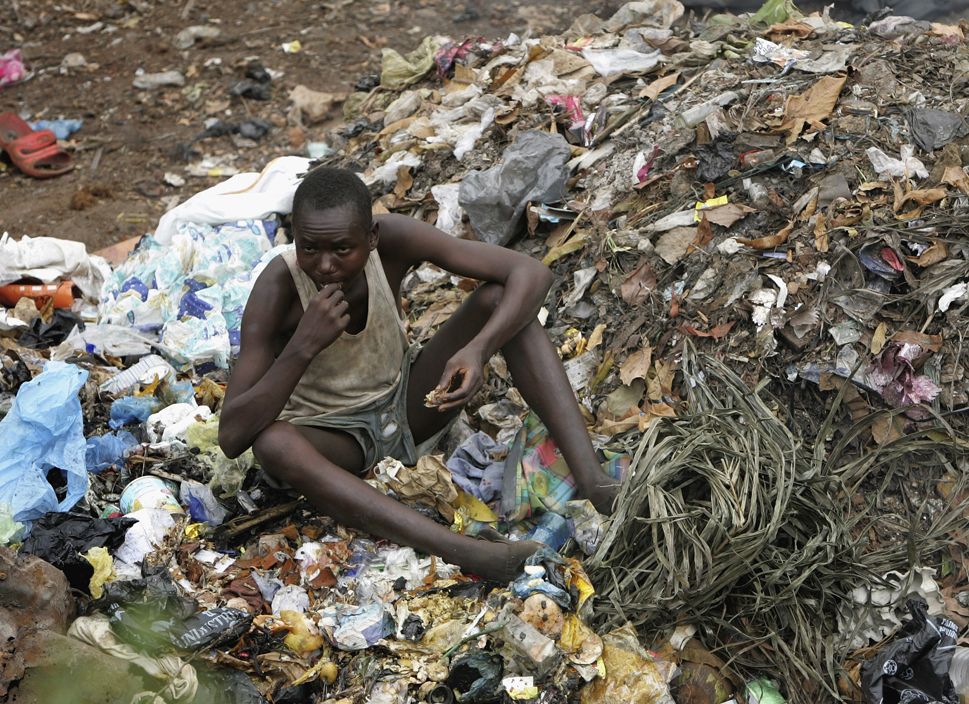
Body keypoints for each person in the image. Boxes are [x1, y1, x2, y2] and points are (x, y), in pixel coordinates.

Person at [218, 167, 619, 583]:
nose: (324, 265)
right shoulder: (277, 290)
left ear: (371, 238)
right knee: (274, 444)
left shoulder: (393, 242)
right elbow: (232, 436)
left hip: (410, 406)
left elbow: (532, 274)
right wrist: (302, 346)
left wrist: (477, 350)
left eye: (342, 249)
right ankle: (467, 552)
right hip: (336, 443)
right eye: (309, 248)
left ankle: (593, 481)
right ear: (295, 239)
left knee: (498, 300)